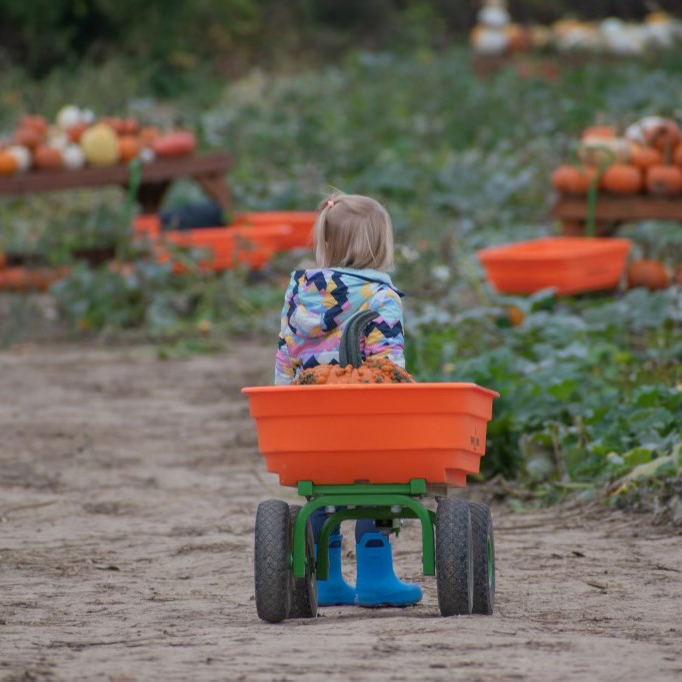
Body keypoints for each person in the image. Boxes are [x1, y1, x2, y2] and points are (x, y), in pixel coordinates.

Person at [274, 192, 422, 608]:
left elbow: (285, 354)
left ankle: (328, 579)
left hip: (309, 420)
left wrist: (283, 406)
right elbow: (387, 367)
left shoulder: (299, 293)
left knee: (322, 486)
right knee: (377, 478)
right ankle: (376, 578)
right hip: (364, 419)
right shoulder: (381, 297)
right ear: (378, 247)